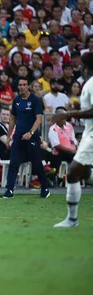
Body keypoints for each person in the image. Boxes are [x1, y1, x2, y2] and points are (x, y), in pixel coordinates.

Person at [52, 53, 93, 227]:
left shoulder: (91, 83)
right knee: (79, 172)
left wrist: (69, 114)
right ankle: (72, 219)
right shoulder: (88, 84)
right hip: (88, 133)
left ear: (85, 66)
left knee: (73, 172)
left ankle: (72, 219)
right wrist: (78, 107)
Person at [1, 77, 50, 199]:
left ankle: (45, 188)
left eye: (24, 84)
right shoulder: (16, 100)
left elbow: (39, 119)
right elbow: (12, 118)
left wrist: (31, 133)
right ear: (18, 86)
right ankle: (9, 190)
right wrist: (8, 137)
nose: (22, 87)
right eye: (20, 85)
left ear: (28, 86)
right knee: (13, 163)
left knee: (37, 164)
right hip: (18, 136)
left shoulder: (35, 100)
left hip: (32, 138)